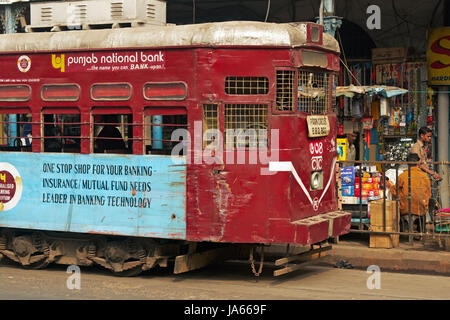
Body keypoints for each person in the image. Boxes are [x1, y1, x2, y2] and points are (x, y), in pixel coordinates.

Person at [385, 153, 431, 234]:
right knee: (424, 207)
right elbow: (428, 194)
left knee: (399, 201)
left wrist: (390, 186)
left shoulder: (403, 176)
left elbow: (395, 191)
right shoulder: (425, 176)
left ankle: (402, 229)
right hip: (421, 207)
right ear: (419, 162)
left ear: (406, 163)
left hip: (405, 207)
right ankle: (421, 232)